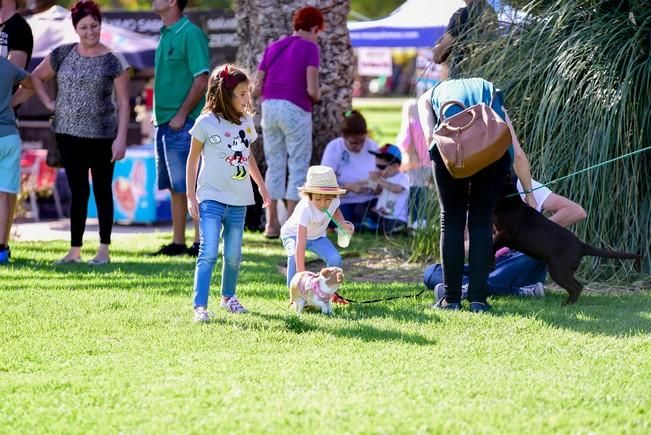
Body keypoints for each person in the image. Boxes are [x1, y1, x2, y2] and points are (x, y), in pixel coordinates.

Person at [14, 0, 129, 265]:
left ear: (101, 25)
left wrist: (121, 138)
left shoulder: (114, 59)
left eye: (95, 26)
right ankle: (74, 250)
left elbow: (123, 103)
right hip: (67, 135)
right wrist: (47, 103)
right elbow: (33, 78)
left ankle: (103, 250)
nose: (90, 31)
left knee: (101, 191)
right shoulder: (62, 54)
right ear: (75, 28)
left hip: (103, 136)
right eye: (84, 27)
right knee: (78, 192)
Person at [418, 77, 536, 313]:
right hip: (493, 154)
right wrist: (530, 194)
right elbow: (517, 152)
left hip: (451, 154)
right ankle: (478, 301)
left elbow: (431, 138)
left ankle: (450, 300)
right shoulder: (489, 89)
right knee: (481, 219)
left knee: (451, 219)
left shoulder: (429, 96)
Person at [187, 64, 271, 322]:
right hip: (211, 197)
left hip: (239, 200)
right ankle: (200, 306)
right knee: (209, 251)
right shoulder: (205, 123)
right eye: (242, 94)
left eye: (248, 93)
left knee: (233, 255)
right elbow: (192, 161)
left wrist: (261, 185)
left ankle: (228, 297)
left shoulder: (246, 121)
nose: (247, 99)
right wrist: (192, 197)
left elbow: (248, 157)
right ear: (225, 94)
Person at [424, 178, 587, 298]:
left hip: (522, 257)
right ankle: (517, 291)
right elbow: (464, 246)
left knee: (533, 254)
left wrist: (533, 233)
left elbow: (576, 211)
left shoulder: (522, 186)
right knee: (432, 273)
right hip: (493, 263)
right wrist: (485, 244)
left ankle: (470, 288)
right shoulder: (470, 197)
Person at [253, 6, 323, 239]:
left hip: (269, 107)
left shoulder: (273, 47)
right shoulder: (310, 48)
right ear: (314, 28)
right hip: (296, 109)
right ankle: (291, 224)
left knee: (274, 164)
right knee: (298, 162)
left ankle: (271, 224)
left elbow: (257, 86)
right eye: (318, 32)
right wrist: (319, 95)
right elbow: (312, 89)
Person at [151, 0, 209, 256]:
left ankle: (199, 243)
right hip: (163, 122)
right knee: (175, 186)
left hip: (183, 123)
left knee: (193, 184)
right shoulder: (164, 33)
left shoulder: (190, 33)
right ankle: (178, 242)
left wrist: (182, 114)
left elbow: (202, 78)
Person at [280, 165, 353, 304]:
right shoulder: (305, 208)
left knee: (335, 258)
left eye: (327, 199)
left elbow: (335, 209)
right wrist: (302, 277)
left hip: (318, 236)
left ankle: (330, 292)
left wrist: (342, 223)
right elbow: (300, 245)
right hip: (294, 235)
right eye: (318, 199)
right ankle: (295, 294)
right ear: (308, 195)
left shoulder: (333, 201)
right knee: (293, 257)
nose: (323, 204)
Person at [1, 0, 33, 261]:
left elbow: (18, 79)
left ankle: (2, 244)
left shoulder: (18, 29)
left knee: (5, 191)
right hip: (7, 129)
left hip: (6, 124)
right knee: (6, 189)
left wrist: (5, 105)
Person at [320, 110, 379, 228]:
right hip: (343, 202)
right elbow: (323, 188)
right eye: (353, 143)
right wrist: (348, 188)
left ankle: (362, 222)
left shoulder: (372, 146)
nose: (359, 146)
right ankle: (361, 223)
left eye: (362, 141)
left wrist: (377, 186)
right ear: (344, 136)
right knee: (342, 216)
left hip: (368, 201)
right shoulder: (334, 148)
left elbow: (382, 177)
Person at [431, 0, 497, 76]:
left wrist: (437, 48)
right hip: (486, 76)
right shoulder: (490, 12)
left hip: (464, 78)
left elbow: (439, 56)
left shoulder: (462, 14)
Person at [396, 98, 431, 229]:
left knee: (415, 190)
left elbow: (405, 142)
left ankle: (414, 219)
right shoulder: (424, 124)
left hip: (414, 164)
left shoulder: (410, 123)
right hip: (427, 163)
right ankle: (424, 219)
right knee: (425, 191)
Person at [362, 144, 410, 235]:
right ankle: (372, 226)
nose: (378, 169)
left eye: (382, 167)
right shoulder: (384, 178)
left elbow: (396, 189)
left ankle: (399, 228)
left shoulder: (403, 177)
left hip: (396, 218)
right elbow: (377, 193)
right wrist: (374, 185)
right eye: (377, 166)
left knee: (387, 228)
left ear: (395, 166)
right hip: (382, 215)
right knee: (364, 213)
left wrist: (378, 180)